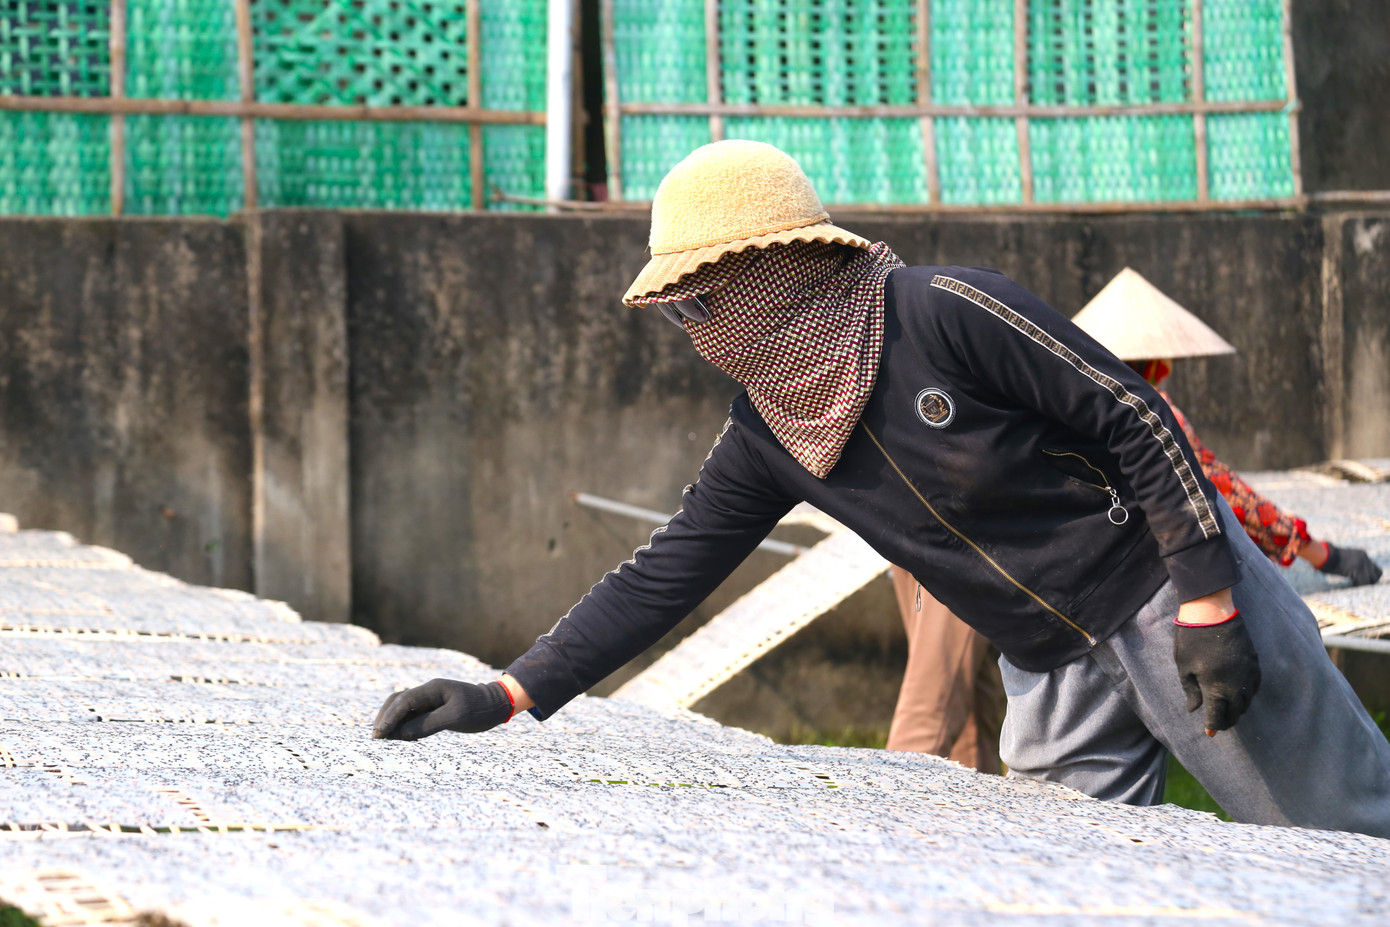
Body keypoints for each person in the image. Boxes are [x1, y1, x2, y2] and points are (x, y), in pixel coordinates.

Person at [372, 140, 1390, 838]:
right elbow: (662, 575)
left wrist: (1210, 600)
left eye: (702, 301)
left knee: (1331, 835)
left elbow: (1134, 417)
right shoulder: (767, 431)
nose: (695, 330)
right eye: (679, 312)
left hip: (1167, 599)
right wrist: (504, 693)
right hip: (1047, 665)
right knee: (1077, 879)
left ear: (773, 269)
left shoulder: (945, 312)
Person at [1071, 267, 1383, 588]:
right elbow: (1223, 488)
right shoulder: (1156, 409)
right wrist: (1324, 554)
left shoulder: (1080, 406)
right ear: (1155, 362)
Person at [885, 567, 1003, 773]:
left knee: (936, 703)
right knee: (938, 705)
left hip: (955, 546)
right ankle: (897, 798)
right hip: (949, 545)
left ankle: (897, 797)